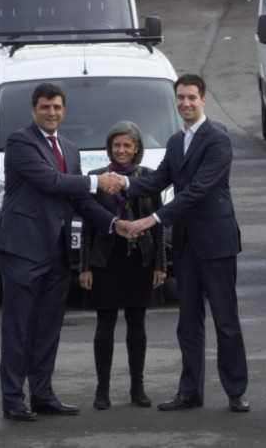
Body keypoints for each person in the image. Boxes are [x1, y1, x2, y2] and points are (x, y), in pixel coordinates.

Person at [0, 83, 129, 422]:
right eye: (45, 107)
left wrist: (115, 224)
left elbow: (80, 200)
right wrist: (96, 181)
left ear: (63, 110)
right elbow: (50, 181)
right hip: (23, 249)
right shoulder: (20, 141)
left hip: (56, 251)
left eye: (56, 107)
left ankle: (42, 395)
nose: (51, 113)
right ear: (33, 110)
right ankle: (13, 399)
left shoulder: (69, 148)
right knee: (18, 328)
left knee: (48, 327)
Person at [121, 74, 250, 413]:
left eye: (192, 97)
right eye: (180, 98)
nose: (186, 103)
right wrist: (117, 181)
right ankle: (190, 391)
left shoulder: (218, 139)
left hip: (217, 242)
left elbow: (197, 190)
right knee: (187, 322)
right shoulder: (177, 141)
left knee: (226, 321)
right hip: (187, 244)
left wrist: (153, 219)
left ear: (203, 100)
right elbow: (156, 181)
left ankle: (236, 390)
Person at [79, 121, 167, 410]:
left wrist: (159, 264)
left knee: (136, 323)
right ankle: (102, 389)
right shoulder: (96, 178)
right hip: (105, 261)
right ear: (109, 147)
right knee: (105, 323)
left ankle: (137, 388)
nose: (121, 150)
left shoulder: (149, 178)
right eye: (116, 145)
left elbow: (157, 224)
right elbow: (88, 226)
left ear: (137, 148)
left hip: (139, 260)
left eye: (127, 145)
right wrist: (85, 267)